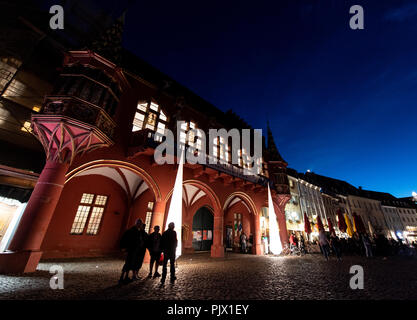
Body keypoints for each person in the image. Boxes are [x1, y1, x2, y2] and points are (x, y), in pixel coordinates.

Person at [118, 219, 143, 284]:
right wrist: (124, 248)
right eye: (139, 224)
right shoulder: (132, 231)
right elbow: (125, 239)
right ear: (137, 224)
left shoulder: (135, 231)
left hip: (134, 250)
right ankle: (122, 277)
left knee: (130, 263)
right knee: (128, 263)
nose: (140, 225)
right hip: (131, 249)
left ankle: (125, 277)